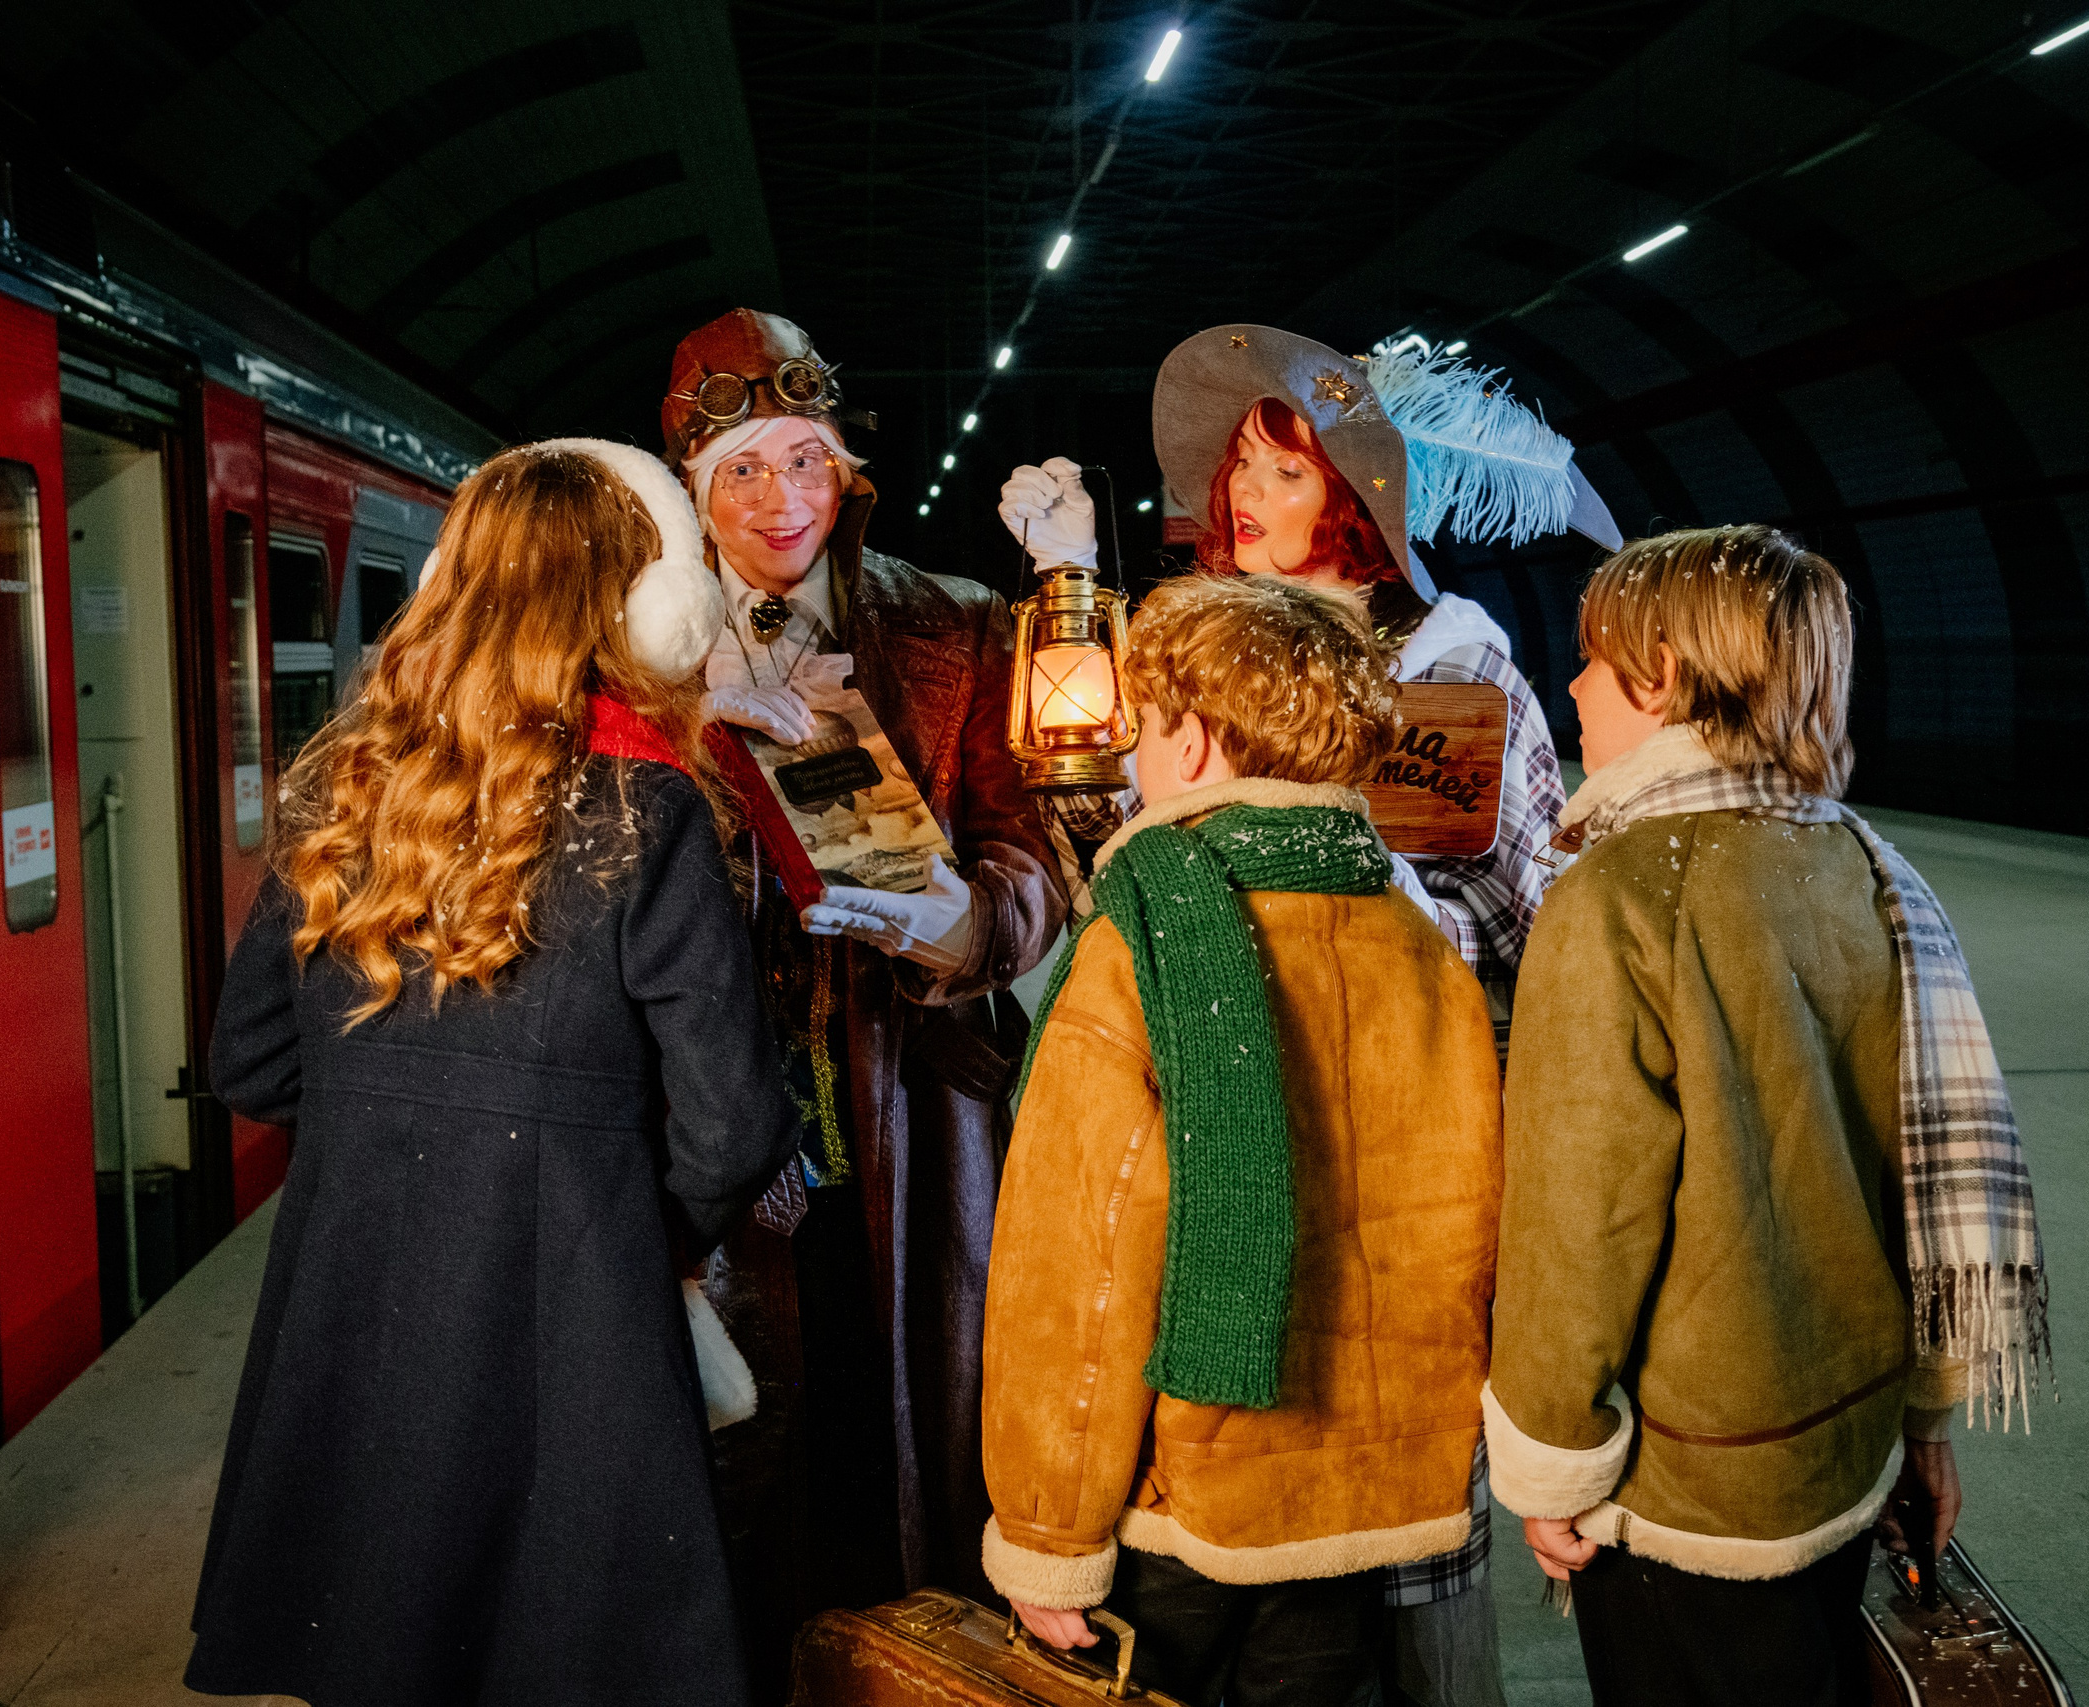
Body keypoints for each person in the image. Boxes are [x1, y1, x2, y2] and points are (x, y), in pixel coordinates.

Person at [999, 324, 1621, 1704]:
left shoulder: (1461, 673)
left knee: (1398, 1553)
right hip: (1229, 1132)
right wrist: (1067, 590)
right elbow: (1112, 845)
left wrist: (1398, 931)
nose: (1242, 506)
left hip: (1403, 1157)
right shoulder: (1205, 656)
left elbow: (1560, 921)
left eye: (1279, 475)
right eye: (1236, 480)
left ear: (1354, 490)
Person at [184, 440, 802, 1707]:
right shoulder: (649, 809)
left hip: (354, 1297)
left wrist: (394, 1132)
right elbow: (735, 1125)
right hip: (574, 1315)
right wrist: (625, 1225)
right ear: (638, 608)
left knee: (379, 1640)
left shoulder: (341, 787)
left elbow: (245, 1063)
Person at [1485, 526, 2052, 1707]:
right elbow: (1922, 1178)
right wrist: (1925, 1423)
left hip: (1687, 1485)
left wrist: (1548, 1462)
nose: (1574, 685)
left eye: (1593, 659)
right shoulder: (1867, 865)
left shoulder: (1620, 895)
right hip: (1842, 1445)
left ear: (1665, 676)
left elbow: (1576, 1221)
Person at [982, 574, 1504, 1707]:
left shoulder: (1142, 948)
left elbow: (1076, 1268)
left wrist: (1046, 1528)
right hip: (1369, 1497)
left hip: (1183, 1498)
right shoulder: (1423, 948)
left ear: (1199, 745)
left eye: (1149, 725)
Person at [661, 309, 1069, 1672]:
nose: (782, 500)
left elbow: (1037, 847)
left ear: (851, 474)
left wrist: (969, 918)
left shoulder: (956, 626)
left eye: (807, 462)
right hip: (713, 1137)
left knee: (912, 1463)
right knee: (735, 1472)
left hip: (912, 1121)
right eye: (743, 470)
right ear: (694, 486)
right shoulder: (640, 661)